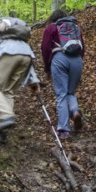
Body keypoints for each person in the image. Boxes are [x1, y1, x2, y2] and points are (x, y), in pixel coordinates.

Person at [40, 9, 85, 140]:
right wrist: (78, 63)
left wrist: (47, 67)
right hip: (77, 60)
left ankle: (63, 129)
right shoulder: (75, 27)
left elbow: (45, 47)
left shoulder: (51, 28)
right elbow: (83, 47)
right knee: (70, 92)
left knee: (61, 94)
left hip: (59, 59)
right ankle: (75, 111)